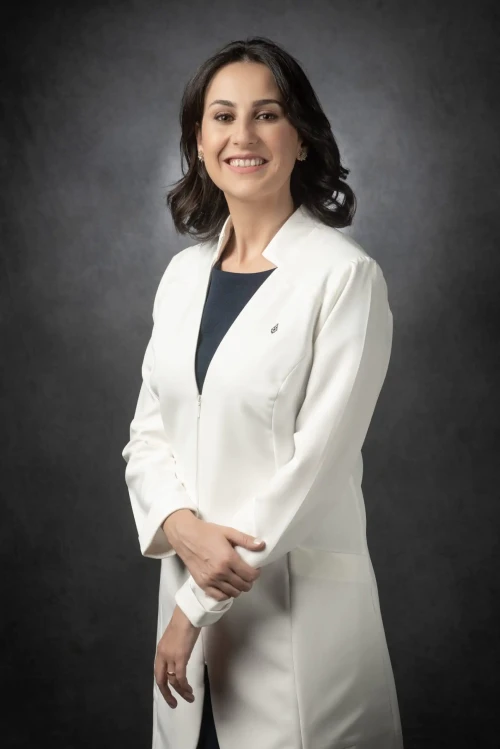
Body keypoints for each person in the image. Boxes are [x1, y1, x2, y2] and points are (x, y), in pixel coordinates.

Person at [122, 36, 404, 749]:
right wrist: (181, 527)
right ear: (199, 141)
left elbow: (314, 470)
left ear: (302, 138)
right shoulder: (183, 277)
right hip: (191, 636)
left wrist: (192, 605)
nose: (242, 136)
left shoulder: (345, 277)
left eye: (267, 115)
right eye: (222, 117)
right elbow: (147, 438)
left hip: (293, 625)